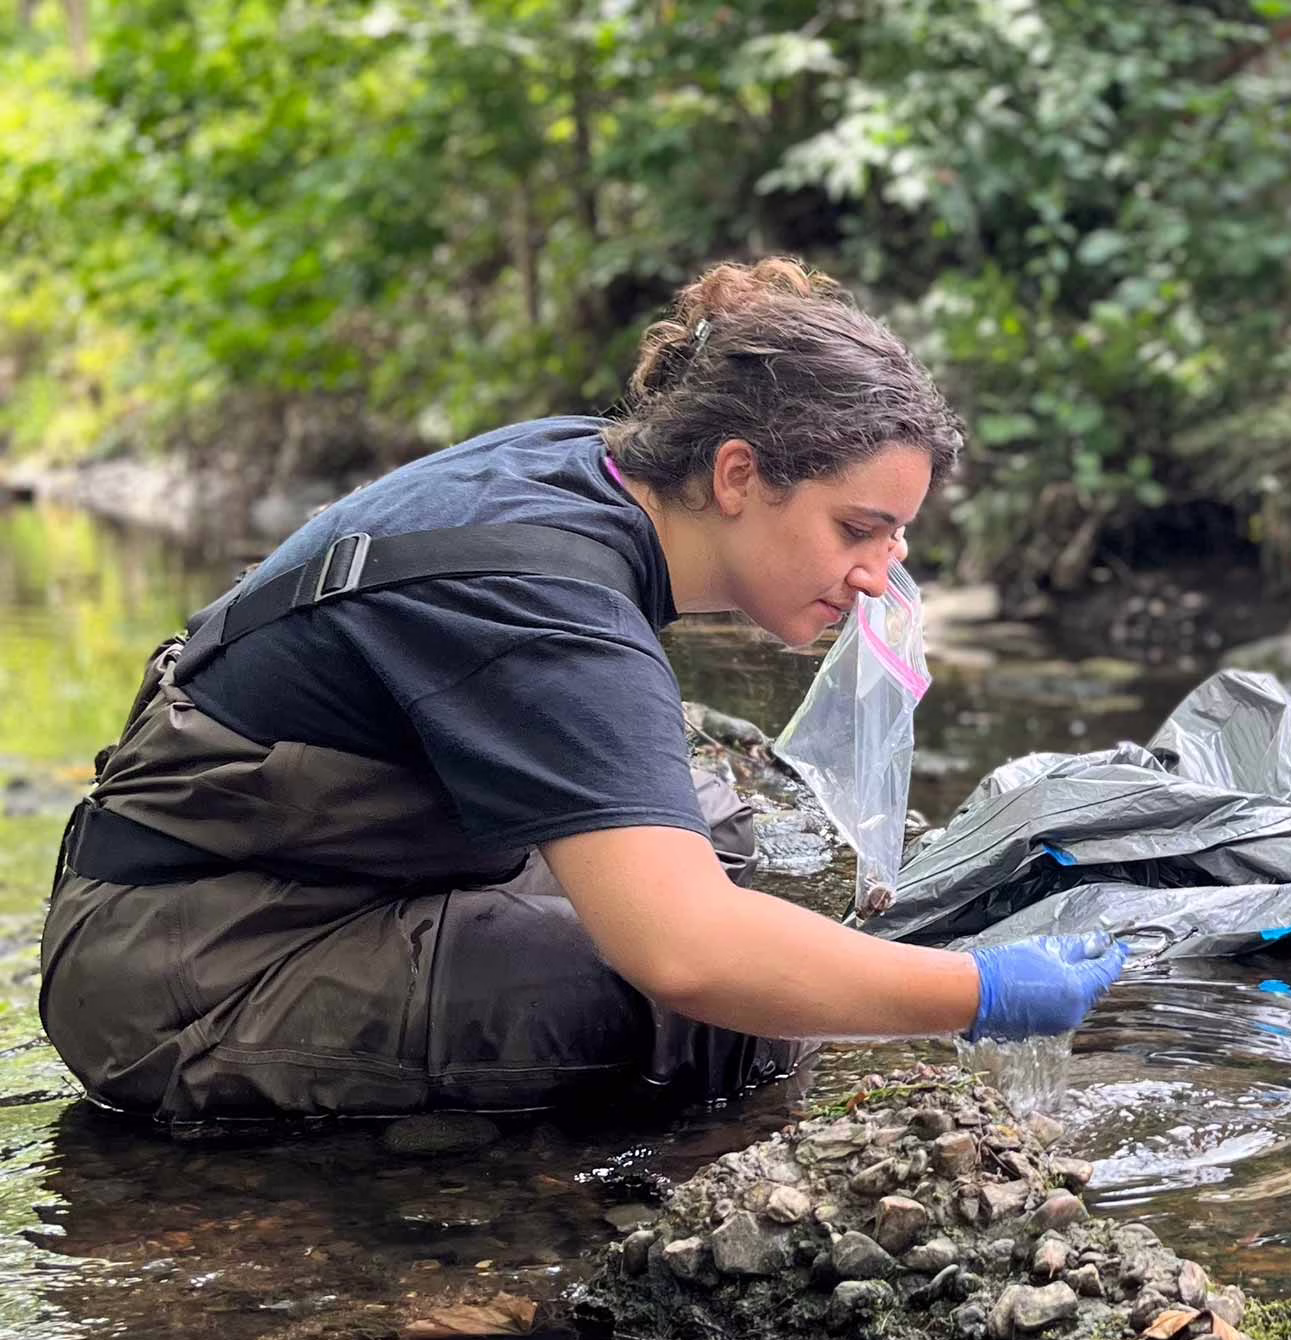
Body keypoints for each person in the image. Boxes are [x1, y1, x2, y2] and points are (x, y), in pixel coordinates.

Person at [40, 258, 1127, 1126]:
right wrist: (979, 992)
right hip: (182, 973)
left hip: (275, 880)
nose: (883, 573)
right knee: (718, 1018)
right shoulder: (545, 599)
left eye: (898, 535)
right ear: (738, 474)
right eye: (858, 527)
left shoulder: (589, 468)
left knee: (726, 851)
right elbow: (689, 955)